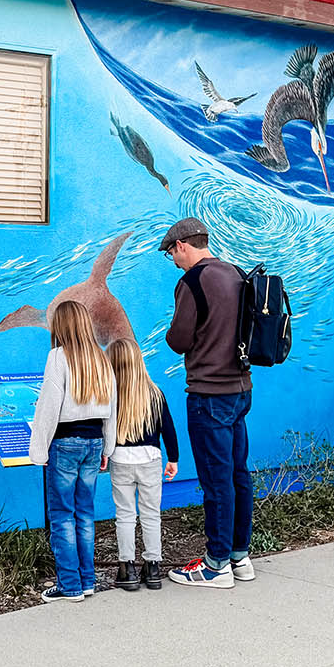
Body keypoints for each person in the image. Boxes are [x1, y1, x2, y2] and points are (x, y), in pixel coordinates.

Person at [160, 217, 255, 589]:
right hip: (240, 390)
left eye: (172, 254)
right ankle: (239, 555)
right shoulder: (235, 272)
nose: (173, 261)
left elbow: (180, 339)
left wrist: (173, 331)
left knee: (216, 481)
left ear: (183, 245)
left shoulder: (193, 281)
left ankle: (216, 566)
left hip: (208, 393)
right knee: (237, 474)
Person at [28, 300, 116, 603]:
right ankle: (87, 580)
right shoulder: (101, 358)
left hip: (65, 443)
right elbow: (112, 408)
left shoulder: (57, 357)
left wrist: (38, 451)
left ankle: (69, 584)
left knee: (62, 515)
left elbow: (48, 407)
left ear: (60, 326)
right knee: (85, 514)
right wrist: (109, 445)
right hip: (94, 443)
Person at [103, 338, 178, 591]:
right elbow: (168, 429)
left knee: (124, 514)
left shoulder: (111, 395)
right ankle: (154, 566)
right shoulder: (155, 392)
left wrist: (104, 453)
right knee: (151, 514)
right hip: (151, 459)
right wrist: (174, 458)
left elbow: (106, 429)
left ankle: (128, 568)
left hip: (121, 459)